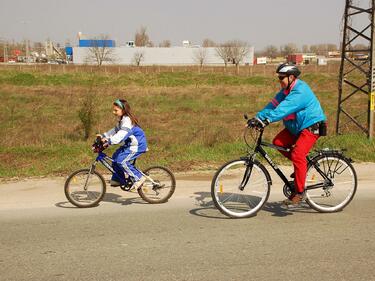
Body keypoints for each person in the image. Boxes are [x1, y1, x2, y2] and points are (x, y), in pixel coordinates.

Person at [251, 63, 327, 205]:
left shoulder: (300, 91)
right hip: (296, 127)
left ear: (291, 77)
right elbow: (272, 106)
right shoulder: (285, 91)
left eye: (281, 78)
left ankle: (299, 192)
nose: (279, 80)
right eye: (278, 78)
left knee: (298, 154)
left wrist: (267, 120)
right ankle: (301, 169)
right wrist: (257, 118)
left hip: (311, 126)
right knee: (279, 143)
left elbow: (284, 109)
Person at [98, 99, 148, 189]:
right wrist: (103, 136)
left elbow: (121, 135)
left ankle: (139, 178)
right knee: (115, 157)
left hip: (137, 145)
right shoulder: (121, 120)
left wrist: (108, 141)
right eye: (113, 110)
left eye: (116, 110)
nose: (114, 112)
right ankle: (118, 179)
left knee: (121, 161)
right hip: (129, 145)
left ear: (123, 110)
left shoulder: (127, 121)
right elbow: (114, 131)